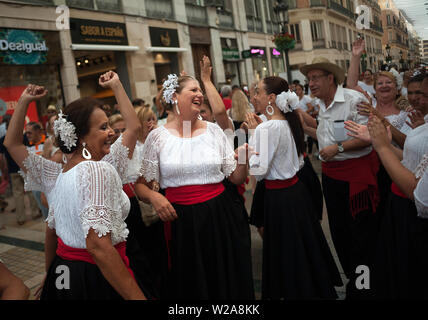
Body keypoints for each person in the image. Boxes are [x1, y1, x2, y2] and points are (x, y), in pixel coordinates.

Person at [4, 71, 146, 300]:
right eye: (102, 127)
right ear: (80, 137)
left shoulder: (58, 174)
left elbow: (12, 144)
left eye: (109, 125)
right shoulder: (96, 169)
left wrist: (24, 100)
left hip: (64, 271)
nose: (111, 132)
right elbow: (98, 246)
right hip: (97, 274)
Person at [135, 73, 254, 300]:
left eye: (200, 90)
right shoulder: (157, 137)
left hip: (219, 216)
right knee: (190, 283)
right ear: (174, 97)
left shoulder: (213, 131)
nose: (200, 94)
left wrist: (243, 159)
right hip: (181, 222)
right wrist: (155, 197)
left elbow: (236, 179)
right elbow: (140, 187)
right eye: (193, 90)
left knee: (223, 278)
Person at [247, 76, 341, 299]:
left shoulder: (266, 127)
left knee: (287, 250)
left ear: (271, 98)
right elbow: (298, 162)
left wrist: (251, 138)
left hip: (279, 197)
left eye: (257, 92)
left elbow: (259, 172)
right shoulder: (289, 123)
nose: (254, 97)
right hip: (295, 195)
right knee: (301, 247)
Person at [300, 56, 380, 299]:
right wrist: (300, 124)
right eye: (309, 79)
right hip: (332, 178)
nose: (311, 84)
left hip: (356, 179)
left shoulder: (353, 100)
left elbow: (369, 136)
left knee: (361, 239)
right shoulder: (322, 105)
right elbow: (325, 138)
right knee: (340, 235)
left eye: (315, 78)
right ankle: (354, 284)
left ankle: (365, 289)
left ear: (330, 78)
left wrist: (340, 148)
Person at [344, 74, 428, 298]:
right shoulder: (370, 105)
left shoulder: (409, 113)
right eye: (379, 83)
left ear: (396, 87)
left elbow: (418, 191)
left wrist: (381, 143)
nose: (417, 97)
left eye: (421, 92)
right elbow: (411, 158)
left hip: (404, 193)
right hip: (383, 179)